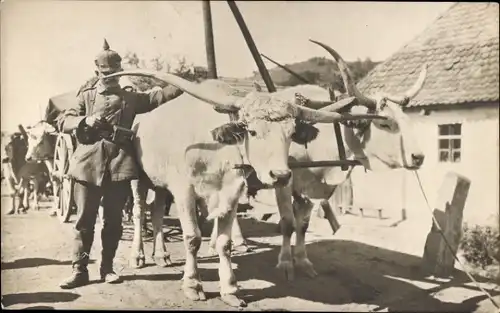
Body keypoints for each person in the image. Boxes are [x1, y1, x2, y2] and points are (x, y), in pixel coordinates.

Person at [58, 39, 183, 289]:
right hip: (87, 167)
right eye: (106, 74)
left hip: (119, 167)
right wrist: (84, 120)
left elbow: (157, 97)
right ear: (97, 73)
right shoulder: (87, 96)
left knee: (114, 222)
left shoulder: (131, 98)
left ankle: (107, 268)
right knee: (84, 221)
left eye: (115, 73)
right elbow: (64, 120)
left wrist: (181, 84)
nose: (111, 77)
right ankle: (79, 270)